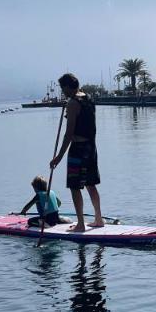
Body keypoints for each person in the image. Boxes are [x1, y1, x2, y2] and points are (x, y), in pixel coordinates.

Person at [50, 72, 105, 231]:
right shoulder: (87, 99)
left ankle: (80, 224)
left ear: (68, 86)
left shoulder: (73, 103)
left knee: (75, 186)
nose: (62, 91)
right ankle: (98, 219)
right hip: (91, 147)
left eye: (62, 88)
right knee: (90, 184)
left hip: (78, 149)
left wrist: (58, 158)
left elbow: (69, 133)